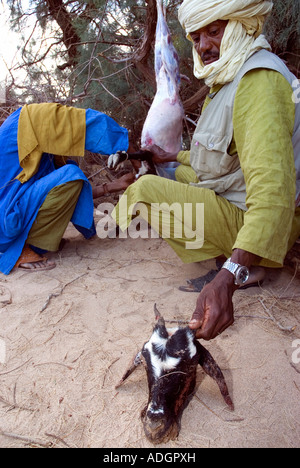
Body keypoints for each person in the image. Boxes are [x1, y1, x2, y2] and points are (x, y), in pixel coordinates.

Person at [112, 0, 300, 340]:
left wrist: (228, 276)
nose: (204, 46)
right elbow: (213, 160)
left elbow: (273, 194)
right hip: (236, 195)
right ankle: (243, 260)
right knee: (176, 174)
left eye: (214, 32)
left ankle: (242, 261)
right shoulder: (230, 78)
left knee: (143, 190)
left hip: (265, 222)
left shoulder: (258, 83)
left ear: (242, 24)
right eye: (196, 38)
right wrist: (170, 158)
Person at [0, 102, 134, 274]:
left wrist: (113, 186)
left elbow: (59, 193)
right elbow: (89, 124)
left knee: (67, 171)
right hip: (5, 226)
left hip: (10, 221)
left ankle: (38, 241)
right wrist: (131, 150)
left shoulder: (34, 147)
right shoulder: (29, 121)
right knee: (70, 173)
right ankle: (23, 249)